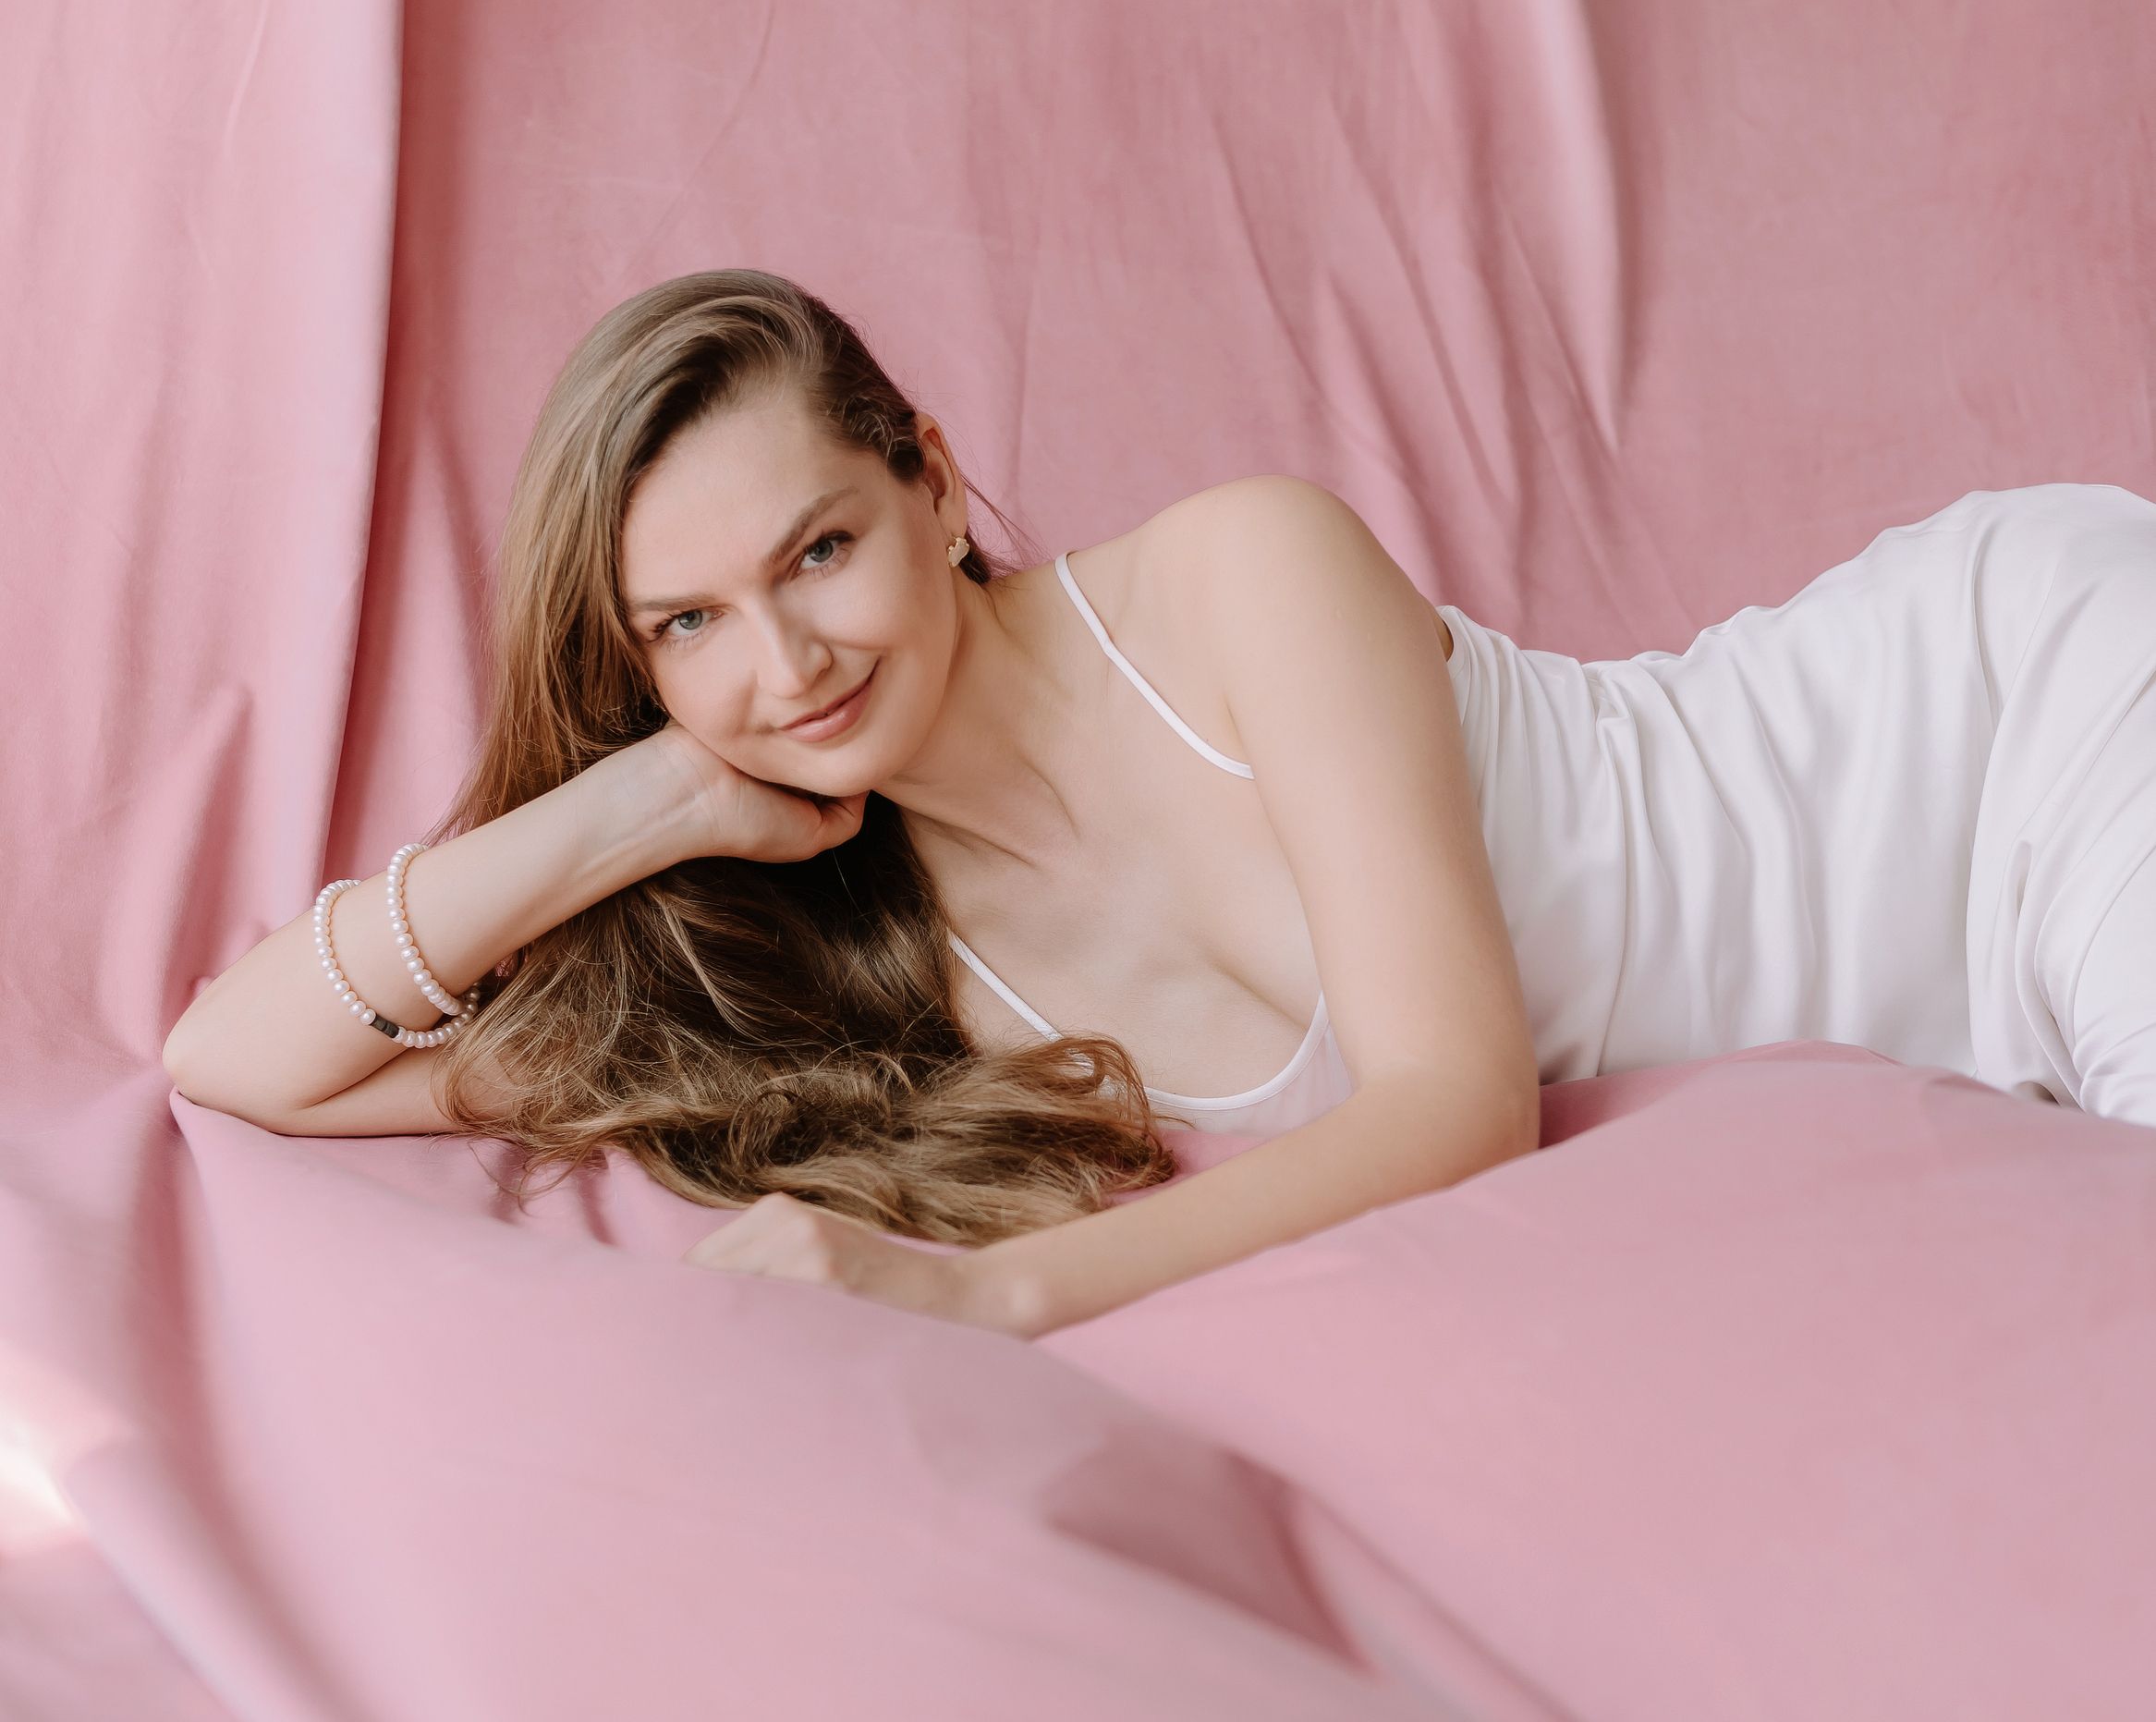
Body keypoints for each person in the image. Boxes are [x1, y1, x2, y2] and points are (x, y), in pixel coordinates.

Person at [164, 270, 2156, 1336]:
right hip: (1935, 1035)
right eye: (689, 624)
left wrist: (979, 1294)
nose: (786, 664)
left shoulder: (1238, 577)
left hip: (1996, 730)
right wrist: (632, 814)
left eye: (818, 551)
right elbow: (238, 1063)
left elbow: (1459, 1102)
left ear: (928, 476)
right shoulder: (853, 974)